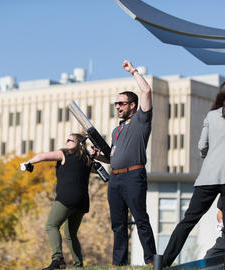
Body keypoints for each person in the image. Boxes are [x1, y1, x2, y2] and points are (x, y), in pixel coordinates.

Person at [161, 80, 225, 270]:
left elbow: (201, 147)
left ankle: (164, 261)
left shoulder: (211, 115)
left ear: (221, 95)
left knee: (189, 219)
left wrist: (212, 153)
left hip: (208, 176)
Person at [91, 60, 156, 266]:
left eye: (121, 103)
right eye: (116, 104)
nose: (117, 107)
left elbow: (146, 91)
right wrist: (97, 156)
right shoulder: (116, 130)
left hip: (134, 176)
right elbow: (112, 157)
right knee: (117, 224)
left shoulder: (141, 120)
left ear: (132, 105)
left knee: (141, 219)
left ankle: (150, 261)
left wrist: (133, 71)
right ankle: (118, 263)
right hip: (115, 178)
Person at [21, 133, 92, 270]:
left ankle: (57, 259)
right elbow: (96, 169)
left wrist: (28, 162)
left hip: (67, 197)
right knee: (71, 234)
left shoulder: (65, 153)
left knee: (51, 226)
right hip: (82, 201)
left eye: (69, 140)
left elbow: (43, 156)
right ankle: (79, 265)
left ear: (77, 143)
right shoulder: (87, 159)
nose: (66, 142)